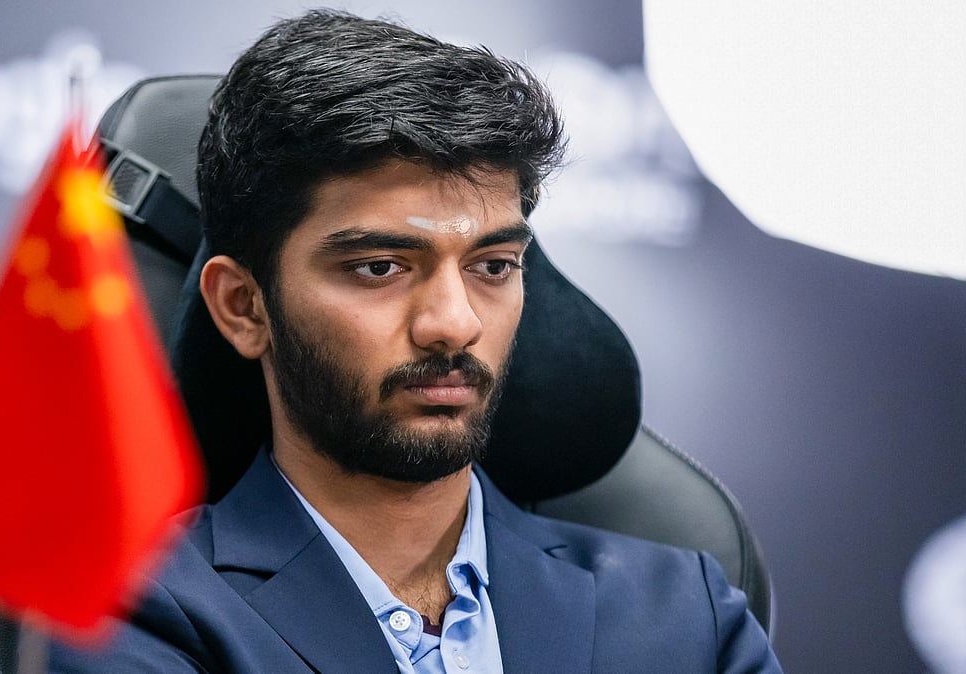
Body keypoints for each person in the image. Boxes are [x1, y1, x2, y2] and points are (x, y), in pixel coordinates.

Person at [52, 10, 782, 673]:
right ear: (245, 308)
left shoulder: (687, 614)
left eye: (493, 266)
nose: (455, 323)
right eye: (380, 267)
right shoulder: (134, 616)